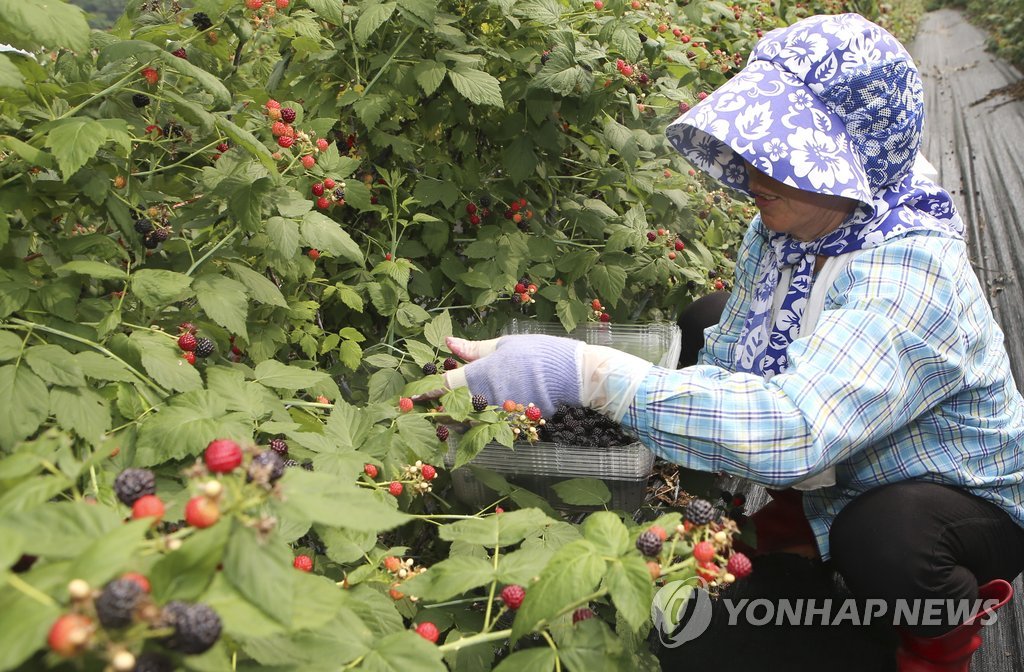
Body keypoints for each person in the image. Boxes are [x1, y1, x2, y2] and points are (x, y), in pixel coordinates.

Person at [433, 13, 1024, 672]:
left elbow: (797, 426)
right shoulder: (783, 229)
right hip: (837, 442)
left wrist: (588, 373)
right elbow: (730, 360)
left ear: (854, 159)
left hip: (949, 493)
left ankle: (934, 644)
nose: (752, 168)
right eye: (758, 140)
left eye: (786, 150)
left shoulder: (910, 273)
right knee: (705, 318)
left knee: (886, 538)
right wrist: (633, 409)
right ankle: (781, 541)